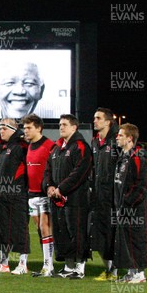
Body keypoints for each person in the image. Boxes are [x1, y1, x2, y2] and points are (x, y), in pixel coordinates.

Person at [43, 114, 92, 279]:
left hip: (76, 199)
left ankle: (80, 267)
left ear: (74, 127)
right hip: (57, 200)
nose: (61, 127)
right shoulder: (55, 148)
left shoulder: (81, 146)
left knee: (76, 231)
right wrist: (49, 186)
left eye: (64, 124)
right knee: (61, 232)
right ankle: (68, 266)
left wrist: (61, 188)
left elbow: (80, 172)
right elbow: (48, 170)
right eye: (60, 124)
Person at [113, 123, 147, 283]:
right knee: (126, 239)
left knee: (138, 238)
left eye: (121, 135)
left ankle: (140, 274)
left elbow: (141, 185)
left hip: (135, 208)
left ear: (130, 138)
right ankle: (131, 272)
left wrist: (128, 203)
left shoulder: (139, 157)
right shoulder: (124, 156)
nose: (117, 137)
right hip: (123, 206)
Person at [0, 118, 30, 275]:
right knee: (1, 230)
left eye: (4, 128)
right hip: (0, 195)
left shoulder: (21, 145)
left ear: (13, 129)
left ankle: (23, 263)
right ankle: (3, 262)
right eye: (0, 128)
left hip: (17, 195)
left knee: (20, 229)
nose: (1, 131)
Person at [21, 113, 56, 277]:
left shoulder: (50, 146)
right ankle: (46, 263)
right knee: (40, 230)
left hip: (44, 194)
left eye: (29, 128)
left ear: (39, 128)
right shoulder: (29, 146)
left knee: (45, 227)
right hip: (31, 194)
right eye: (24, 128)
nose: (25, 131)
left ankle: (48, 266)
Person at [91, 108, 119, 281]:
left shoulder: (117, 141)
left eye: (98, 118)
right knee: (100, 234)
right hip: (98, 196)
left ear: (108, 122)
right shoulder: (95, 142)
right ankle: (108, 269)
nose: (95, 121)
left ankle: (117, 271)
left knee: (114, 235)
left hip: (113, 197)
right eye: (94, 118)